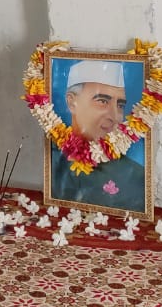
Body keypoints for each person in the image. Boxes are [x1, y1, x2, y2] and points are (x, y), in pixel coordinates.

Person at [49, 59, 145, 212]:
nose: (115, 116)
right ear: (72, 103)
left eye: (120, 105)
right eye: (102, 101)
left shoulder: (136, 176)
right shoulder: (51, 160)